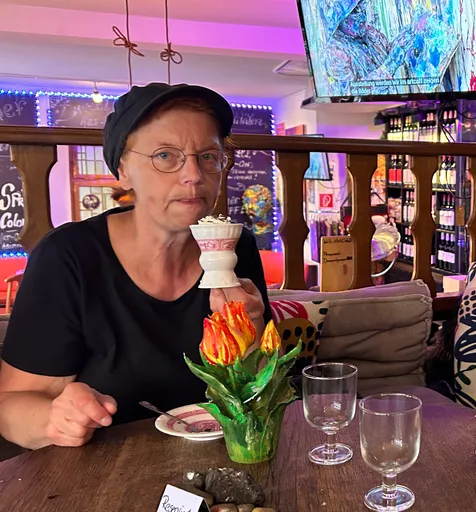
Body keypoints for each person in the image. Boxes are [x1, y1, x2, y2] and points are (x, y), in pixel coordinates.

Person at [0, 83, 272, 450]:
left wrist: (251, 337)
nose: (193, 174)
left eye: (208, 156)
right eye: (165, 155)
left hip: (217, 465)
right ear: (124, 170)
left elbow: (259, 397)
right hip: (104, 472)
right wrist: (55, 420)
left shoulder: (237, 246)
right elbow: (11, 407)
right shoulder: (69, 257)